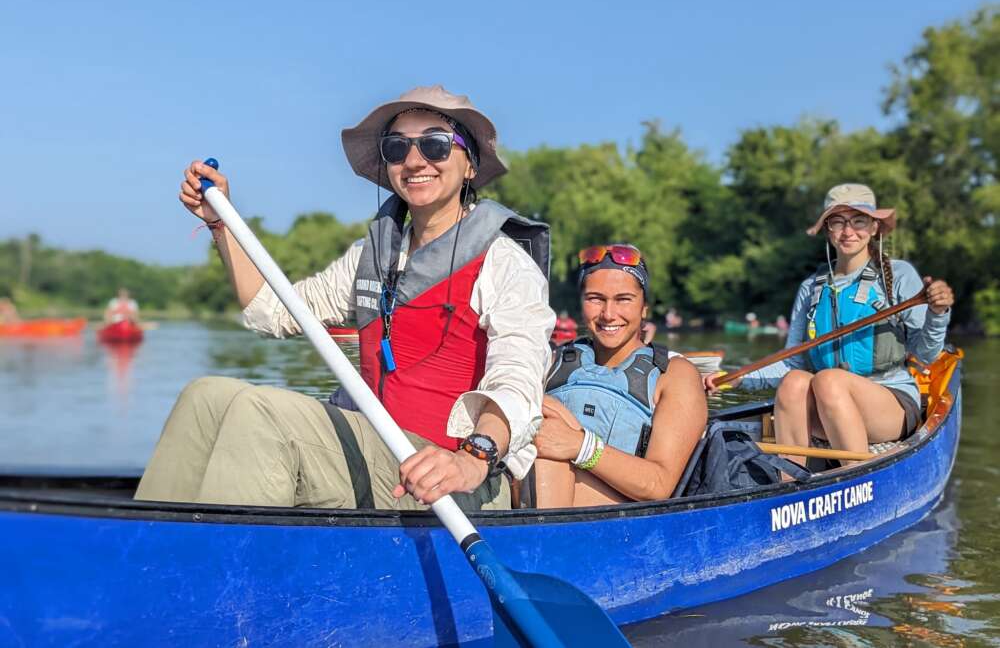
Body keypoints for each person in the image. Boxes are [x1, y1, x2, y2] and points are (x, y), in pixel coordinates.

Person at [135, 86, 555, 511]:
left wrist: (473, 458)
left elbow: (518, 382)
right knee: (205, 397)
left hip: (449, 478)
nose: (414, 160)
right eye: (397, 147)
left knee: (257, 414)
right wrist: (222, 223)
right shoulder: (372, 256)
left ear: (469, 166)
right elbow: (272, 311)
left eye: (435, 144)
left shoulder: (504, 263)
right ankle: (143, 550)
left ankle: (231, 572)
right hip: (375, 448)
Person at [706, 183, 954, 467]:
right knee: (794, 382)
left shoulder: (899, 275)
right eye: (838, 222)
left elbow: (926, 354)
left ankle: (856, 473)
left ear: (874, 227)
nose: (848, 232)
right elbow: (792, 362)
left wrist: (938, 313)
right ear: (828, 230)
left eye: (858, 221)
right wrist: (737, 378)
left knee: (828, 379)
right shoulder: (811, 287)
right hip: (827, 405)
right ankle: (790, 482)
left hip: (890, 403)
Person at [532, 244, 707, 507]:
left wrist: (580, 446)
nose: (608, 314)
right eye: (595, 298)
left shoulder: (675, 375)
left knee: (547, 449)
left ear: (644, 307)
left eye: (623, 299)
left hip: (620, 515)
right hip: (533, 487)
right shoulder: (551, 360)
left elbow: (658, 485)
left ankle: (542, 539)